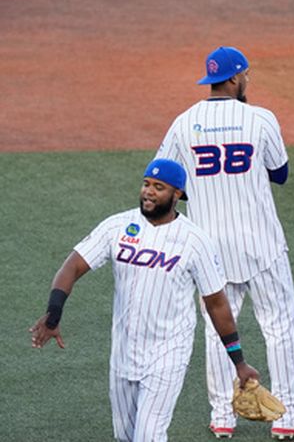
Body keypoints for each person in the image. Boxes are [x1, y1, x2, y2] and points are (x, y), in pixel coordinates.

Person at [156, 47, 294, 439]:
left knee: (218, 328)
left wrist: (199, 189)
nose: (247, 79)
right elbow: (280, 173)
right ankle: (289, 416)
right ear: (234, 78)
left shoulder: (184, 122)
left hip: (209, 248)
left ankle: (222, 415)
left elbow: (164, 181)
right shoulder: (260, 118)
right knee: (278, 326)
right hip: (261, 244)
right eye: (246, 74)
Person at [29, 159, 260, 442]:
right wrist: (53, 314)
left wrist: (239, 362)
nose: (148, 191)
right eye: (146, 184)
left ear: (177, 194)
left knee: (148, 436)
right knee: (125, 437)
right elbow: (72, 266)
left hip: (168, 354)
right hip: (123, 353)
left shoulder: (195, 241)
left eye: (159, 187)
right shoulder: (118, 226)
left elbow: (217, 304)